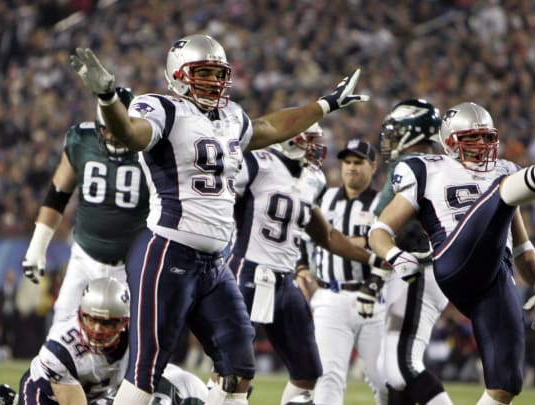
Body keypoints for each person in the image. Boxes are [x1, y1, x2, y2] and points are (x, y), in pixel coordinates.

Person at [69, 33, 368, 405]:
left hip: (214, 264)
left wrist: (326, 103)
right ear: (178, 75)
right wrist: (107, 98)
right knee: (146, 371)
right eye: (204, 72)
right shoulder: (162, 108)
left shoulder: (230, 118)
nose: (214, 82)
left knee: (238, 367)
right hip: (166, 251)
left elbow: (272, 127)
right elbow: (130, 135)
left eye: (219, 73)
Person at [369, 100, 535, 405]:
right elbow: (378, 230)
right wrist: (394, 255)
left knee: (506, 382)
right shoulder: (427, 169)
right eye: (473, 138)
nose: (483, 145)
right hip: (455, 260)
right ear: (449, 142)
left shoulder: (505, 171)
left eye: (487, 137)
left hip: (497, 272)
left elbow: (522, 246)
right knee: (501, 193)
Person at [227, 123, 386, 405]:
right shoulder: (257, 163)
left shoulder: (313, 179)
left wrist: (371, 258)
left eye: (315, 142)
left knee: (308, 372)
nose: (315, 148)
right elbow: (222, 200)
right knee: (233, 371)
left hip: (284, 280)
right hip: (248, 271)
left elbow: (325, 235)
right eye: (308, 141)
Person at [21, 87, 148, 324]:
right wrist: (37, 247)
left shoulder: (151, 149)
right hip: (84, 257)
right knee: (62, 324)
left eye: (119, 129)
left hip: (131, 266)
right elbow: (58, 194)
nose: (113, 136)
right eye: (107, 130)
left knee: (126, 338)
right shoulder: (81, 140)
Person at [368, 99, 453, 405]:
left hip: (416, 268)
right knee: (390, 370)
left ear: (412, 131)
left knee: (401, 367)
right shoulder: (439, 165)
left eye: (395, 131)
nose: (389, 139)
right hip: (423, 269)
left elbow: (381, 223)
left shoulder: (412, 165)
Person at [296, 138, 387, 405]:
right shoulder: (325, 197)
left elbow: (388, 242)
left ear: (372, 166)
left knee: (384, 377)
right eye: (347, 162)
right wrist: (302, 267)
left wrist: (347, 241)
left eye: (358, 162)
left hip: (374, 297)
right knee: (328, 376)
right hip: (330, 295)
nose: (351, 168)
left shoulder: (383, 203)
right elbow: (303, 234)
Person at [17, 277, 130, 405]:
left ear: (123, 322)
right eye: (92, 320)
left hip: (95, 396)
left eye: (106, 322)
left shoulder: (139, 337)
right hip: (47, 394)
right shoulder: (61, 348)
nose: (97, 330)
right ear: (82, 315)